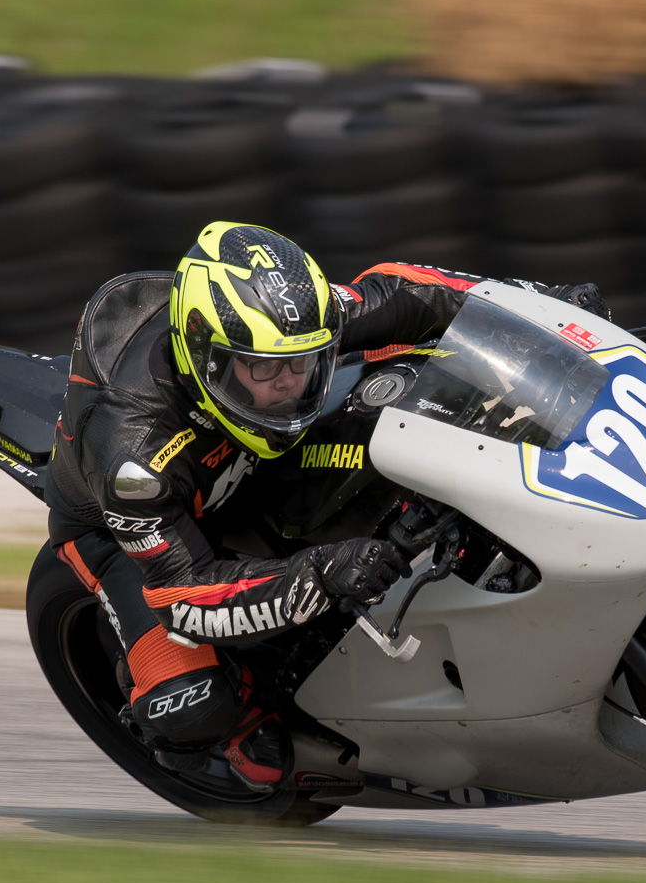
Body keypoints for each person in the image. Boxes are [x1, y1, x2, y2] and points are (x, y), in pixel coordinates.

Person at [46, 221, 608, 787]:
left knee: (418, 384)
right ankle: (204, 721)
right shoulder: (133, 456)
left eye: (302, 364)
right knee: (200, 711)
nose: (289, 383)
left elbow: (406, 294)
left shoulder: (285, 331)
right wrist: (319, 575)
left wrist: (538, 312)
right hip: (127, 534)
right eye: (264, 369)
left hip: (251, 455)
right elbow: (185, 596)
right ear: (206, 357)